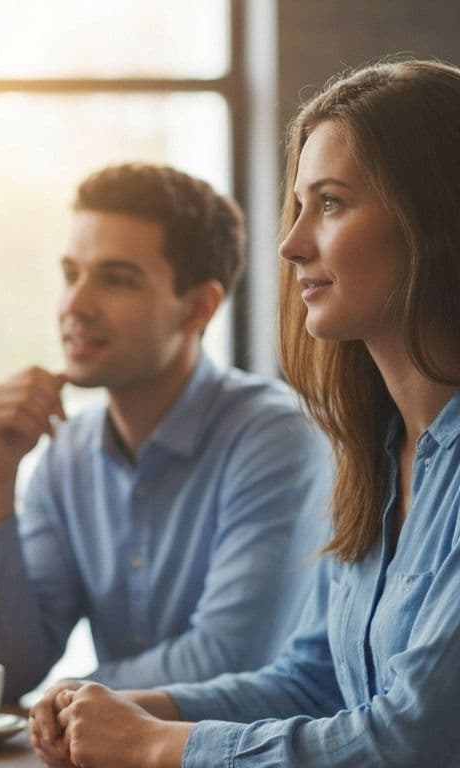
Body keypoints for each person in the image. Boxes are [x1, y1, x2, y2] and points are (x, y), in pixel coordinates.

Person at [35, 58, 460, 767]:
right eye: (299, 205)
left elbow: (415, 740)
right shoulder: (374, 454)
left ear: (433, 221)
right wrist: (134, 708)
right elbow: (314, 679)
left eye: (330, 203)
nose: (292, 244)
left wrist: (156, 747)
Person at [0, 163, 332, 701]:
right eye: (71, 275)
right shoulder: (65, 454)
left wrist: (67, 699)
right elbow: (6, 672)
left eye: (116, 279)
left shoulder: (274, 437)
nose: (75, 306)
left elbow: (226, 658)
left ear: (199, 307)